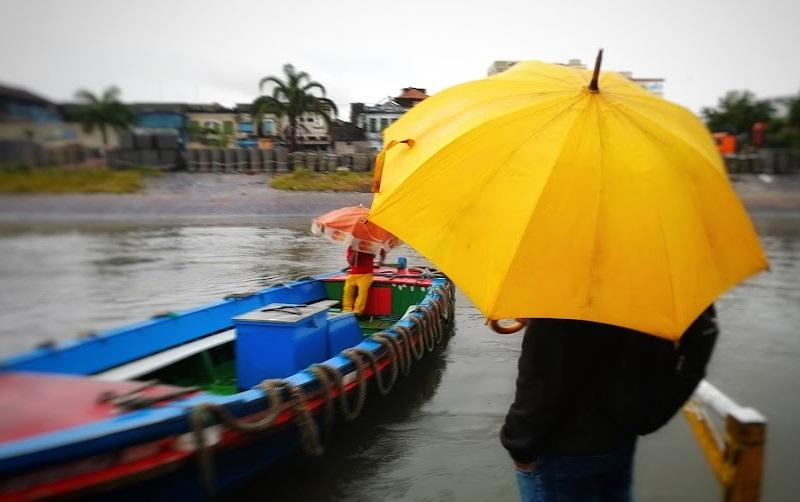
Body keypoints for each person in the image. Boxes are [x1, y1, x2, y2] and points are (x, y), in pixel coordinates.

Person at [501, 306, 719, 501]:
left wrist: (519, 444)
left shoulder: (564, 285)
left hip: (560, 451)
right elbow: (701, 336)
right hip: (619, 437)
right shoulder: (659, 276)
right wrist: (652, 414)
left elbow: (544, 378)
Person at [342, 247, 386, 315]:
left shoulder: (370, 245)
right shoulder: (351, 248)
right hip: (353, 274)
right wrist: (356, 252)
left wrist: (381, 261)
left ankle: (357, 312)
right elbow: (351, 262)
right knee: (347, 290)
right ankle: (347, 310)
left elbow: (383, 252)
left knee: (362, 293)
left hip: (366, 274)